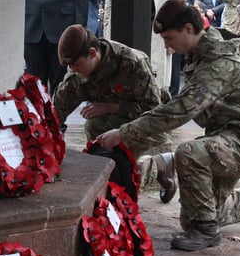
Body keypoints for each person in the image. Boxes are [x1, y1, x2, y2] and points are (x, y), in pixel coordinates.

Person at [96, 0, 240, 251]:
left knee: (190, 155)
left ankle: (206, 232)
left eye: (169, 38)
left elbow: (182, 110)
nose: (167, 46)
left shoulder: (217, 63)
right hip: (226, 138)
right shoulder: (200, 55)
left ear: (189, 30)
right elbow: (179, 102)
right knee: (195, 215)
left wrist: (124, 132)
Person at [54, 24, 177, 202]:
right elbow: (56, 111)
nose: (74, 70)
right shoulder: (77, 73)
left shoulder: (131, 62)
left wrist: (112, 107)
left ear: (92, 53)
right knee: (95, 128)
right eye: (70, 67)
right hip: (113, 121)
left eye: (77, 65)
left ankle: (161, 165)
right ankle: (111, 178)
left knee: (124, 175)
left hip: (149, 123)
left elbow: (153, 110)